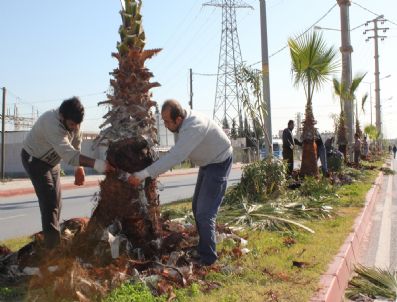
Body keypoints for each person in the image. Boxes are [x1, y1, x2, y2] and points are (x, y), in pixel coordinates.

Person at [127, 99, 233, 266]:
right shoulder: (183, 122)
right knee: (197, 207)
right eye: (163, 120)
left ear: (178, 119)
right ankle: (204, 247)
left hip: (218, 162)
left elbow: (175, 157)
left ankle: (208, 258)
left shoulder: (193, 128)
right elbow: (174, 153)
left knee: (205, 213)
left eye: (168, 121)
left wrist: (142, 175)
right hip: (207, 163)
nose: (165, 125)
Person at [21, 97, 114, 249]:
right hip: (35, 160)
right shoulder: (50, 123)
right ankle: (53, 250)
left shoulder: (74, 122)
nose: (75, 128)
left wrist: (80, 168)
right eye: (71, 124)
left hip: (52, 161)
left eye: (78, 124)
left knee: (57, 202)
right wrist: (98, 164)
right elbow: (69, 155)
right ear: (62, 117)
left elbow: (76, 143)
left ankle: (52, 239)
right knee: (49, 203)